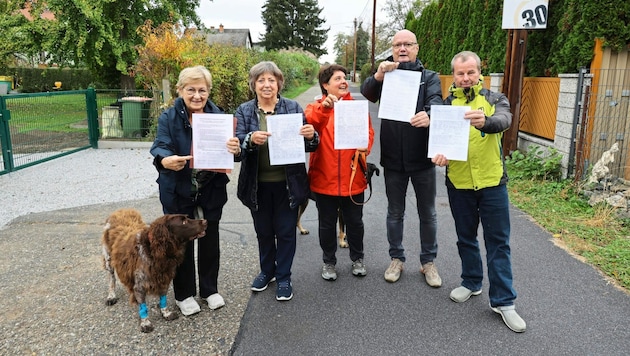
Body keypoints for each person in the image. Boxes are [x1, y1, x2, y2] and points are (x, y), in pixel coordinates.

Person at [432, 51, 526, 333]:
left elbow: (505, 121)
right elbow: (440, 141)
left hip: (492, 183)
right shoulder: (447, 105)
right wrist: (440, 156)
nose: (465, 78)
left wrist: (485, 122)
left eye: (470, 72)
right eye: (460, 74)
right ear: (454, 76)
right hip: (459, 184)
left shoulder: (495, 99)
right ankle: (471, 282)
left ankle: (504, 301)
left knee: (498, 242)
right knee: (466, 238)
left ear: (479, 72)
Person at [150, 65, 242, 316]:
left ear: (209, 91)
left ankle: (209, 290)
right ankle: (184, 293)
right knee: (181, 242)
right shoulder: (169, 118)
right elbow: (160, 146)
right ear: (180, 90)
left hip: (210, 188)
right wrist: (165, 160)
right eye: (191, 90)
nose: (197, 96)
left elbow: (232, 152)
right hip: (178, 188)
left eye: (202, 90)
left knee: (210, 240)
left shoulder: (219, 117)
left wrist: (235, 149)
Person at [360, 29, 443, 286]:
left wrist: (429, 113)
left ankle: (428, 262)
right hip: (394, 158)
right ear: (393, 50)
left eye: (408, 44)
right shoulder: (388, 76)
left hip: (422, 158)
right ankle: (396, 258)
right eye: (397, 45)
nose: (403, 48)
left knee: (427, 213)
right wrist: (378, 75)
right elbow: (367, 92)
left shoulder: (429, 77)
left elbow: (438, 101)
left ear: (417, 48)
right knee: (395, 212)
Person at [235, 61, 319, 301]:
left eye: (271, 80)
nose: (266, 84)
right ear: (254, 85)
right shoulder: (244, 111)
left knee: (285, 231)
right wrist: (250, 140)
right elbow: (237, 146)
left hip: (287, 184)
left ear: (279, 83)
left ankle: (283, 276)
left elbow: (309, 143)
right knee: (263, 231)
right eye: (261, 80)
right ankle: (267, 271)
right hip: (256, 184)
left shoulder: (292, 107)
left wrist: (311, 135)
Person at [305, 64, 375, 281]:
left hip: (353, 178)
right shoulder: (314, 107)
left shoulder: (357, 108)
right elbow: (311, 124)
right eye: (338, 78)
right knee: (326, 223)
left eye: (344, 78)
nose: (344, 81)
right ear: (326, 85)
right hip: (324, 178)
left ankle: (358, 258)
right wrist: (325, 108)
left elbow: (369, 133)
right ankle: (329, 262)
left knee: (355, 222)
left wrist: (366, 146)